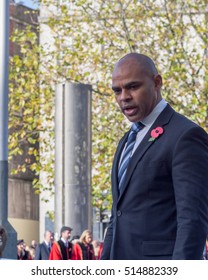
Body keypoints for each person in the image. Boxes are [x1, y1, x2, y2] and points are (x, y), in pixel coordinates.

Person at [100, 53, 208, 260]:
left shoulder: (186, 136)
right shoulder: (126, 141)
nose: (124, 97)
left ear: (157, 82)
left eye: (133, 87)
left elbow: (192, 220)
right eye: (117, 90)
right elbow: (117, 217)